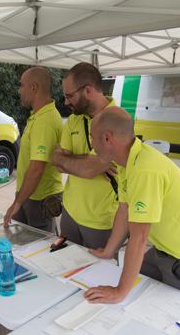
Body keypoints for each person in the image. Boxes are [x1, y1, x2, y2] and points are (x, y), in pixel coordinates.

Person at [85, 107, 180, 303]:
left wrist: (119, 292)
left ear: (107, 138)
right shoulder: (126, 162)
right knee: (139, 293)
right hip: (164, 250)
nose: (91, 145)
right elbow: (124, 210)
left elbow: (139, 237)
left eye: (92, 138)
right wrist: (108, 251)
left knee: (167, 313)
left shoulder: (145, 169)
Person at [51, 63, 118, 248]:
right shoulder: (75, 119)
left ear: (88, 90)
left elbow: (88, 170)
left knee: (98, 276)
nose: (65, 102)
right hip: (70, 214)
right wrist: (90, 161)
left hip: (101, 221)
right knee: (64, 268)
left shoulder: (116, 120)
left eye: (69, 96)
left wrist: (74, 161)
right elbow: (55, 160)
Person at [3, 67, 63, 232]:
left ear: (34, 88)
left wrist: (18, 202)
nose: (19, 91)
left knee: (40, 249)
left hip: (40, 199)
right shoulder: (39, 115)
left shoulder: (45, 121)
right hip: (31, 195)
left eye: (21, 85)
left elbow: (37, 168)